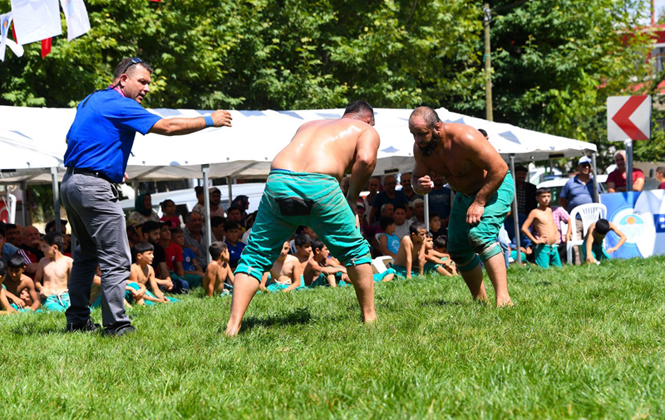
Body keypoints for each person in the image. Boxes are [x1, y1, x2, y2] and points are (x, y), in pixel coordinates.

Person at [60, 57, 232, 335]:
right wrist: (210, 119)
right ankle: (116, 325)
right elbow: (168, 127)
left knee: (86, 255)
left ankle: (77, 321)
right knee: (116, 258)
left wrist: (107, 165)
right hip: (94, 188)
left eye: (148, 83)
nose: (147, 88)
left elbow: (72, 139)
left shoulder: (91, 100)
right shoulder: (121, 104)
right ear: (123, 80)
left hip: (71, 183)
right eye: (142, 81)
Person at [226, 100, 379, 336]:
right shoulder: (366, 130)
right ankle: (370, 318)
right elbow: (366, 160)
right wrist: (351, 197)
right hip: (320, 185)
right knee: (355, 250)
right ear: (368, 120)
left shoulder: (309, 124)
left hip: (279, 181)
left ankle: (232, 327)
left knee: (255, 255)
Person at [410, 106, 514, 306]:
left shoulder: (466, 138)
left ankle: (504, 300)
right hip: (463, 195)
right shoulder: (421, 149)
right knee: (457, 248)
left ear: (437, 127)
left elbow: (500, 169)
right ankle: (480, 300)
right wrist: (419, 186)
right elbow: (416, 178)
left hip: (495, 185)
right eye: (413, 134)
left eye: (422, 134)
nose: (418, 140)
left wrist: (480, 201)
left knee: (480, 236)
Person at [559, 156, 601, 265]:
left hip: (592, 219)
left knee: (592, 241)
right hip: (576, 219)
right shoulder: (570, 183)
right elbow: (562, 199)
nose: (586, 167)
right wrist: (570, 211)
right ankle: (578, 264)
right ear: (578, 167)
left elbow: (599, 198)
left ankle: (591, 261)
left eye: (589, 165)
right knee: (576, 242)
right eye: (584, 165)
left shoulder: (595, 182)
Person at [521, 188, 562, 268]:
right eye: (543, 196)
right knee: (543, 269)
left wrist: (557, 235)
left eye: (548, 196)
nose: (546, 199)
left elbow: (552, 224)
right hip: (543, 247)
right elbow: (524, 228)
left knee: (559, 269)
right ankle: (527, 266)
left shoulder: (549, 210)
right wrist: (535, 241)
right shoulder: (535, 212)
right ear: (537, 198)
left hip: (553, 246)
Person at [34, 232, 73, 311]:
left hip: (65, 297)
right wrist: (41, 288)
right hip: (49, 298)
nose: (42, 249)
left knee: (79, 310)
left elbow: (76, 282)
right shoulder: (43, 261)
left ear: (55, 247)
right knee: (56, 309)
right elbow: (36, 281)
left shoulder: (68, 261)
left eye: (45, 247)